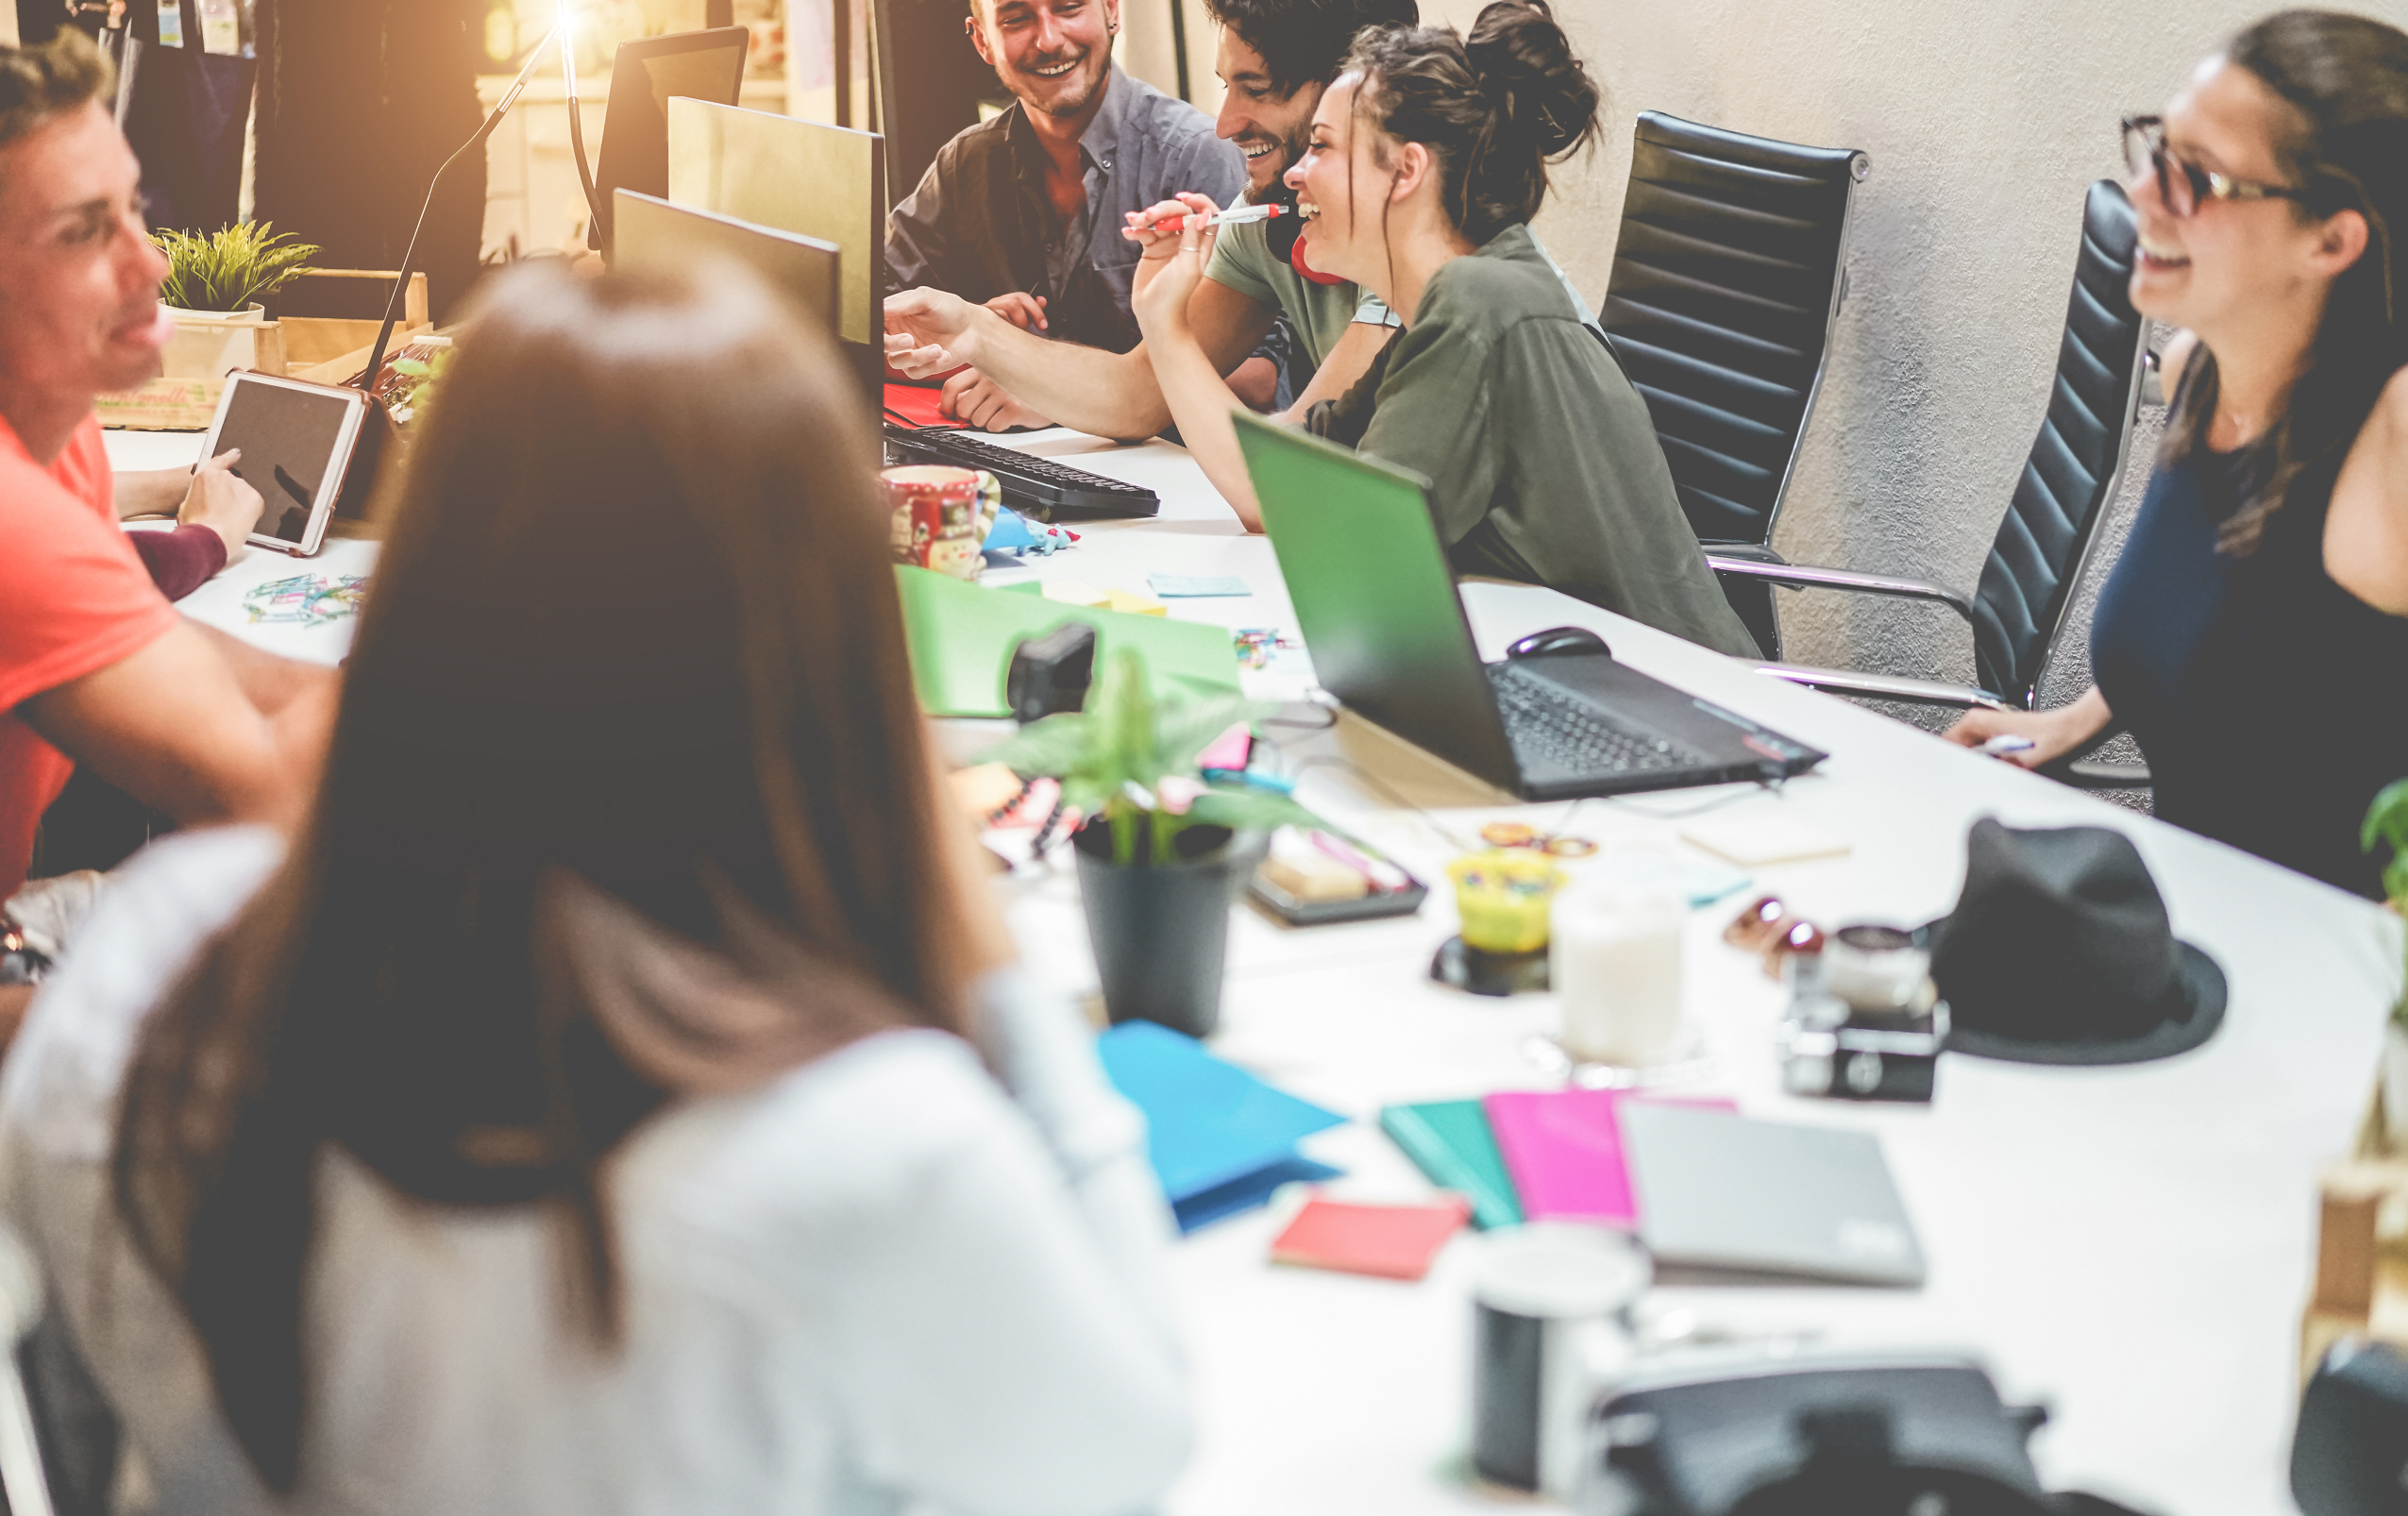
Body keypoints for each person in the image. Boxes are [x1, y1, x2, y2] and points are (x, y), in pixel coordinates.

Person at [0, 260, 1190, 1515]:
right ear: (818, 623)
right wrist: (984, 960)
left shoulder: (144, 972)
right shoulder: (872, 1143)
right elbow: (1129, 1450)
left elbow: (79, 1427)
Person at [1946, 9, 2408, 900]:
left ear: (2330, 240)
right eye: (2158, 149)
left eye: (2199, 176)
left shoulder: (2388, 439)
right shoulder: (2199, 375)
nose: (2144, 195)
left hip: (2351, 994)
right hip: (2196, 950)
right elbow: (2239, 638)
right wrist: (2074, 720)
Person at [1141, 4, 1758, 656]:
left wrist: (1169, 336)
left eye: (1321, 146)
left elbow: (1355, 551)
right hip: (1575, 673)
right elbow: (1284, 481)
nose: (1295, 173)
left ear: (1404, 172)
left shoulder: (1477, 301)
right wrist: (1162, 323)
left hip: (1678, 700)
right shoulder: (1439, 311)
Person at [0, 30, 333, 1033]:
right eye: (82, 232)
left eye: (135, 208)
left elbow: (170, 645)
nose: (151, 261)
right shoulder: (16, 519)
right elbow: (268, 795)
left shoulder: (60, 443)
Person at [884, 0, 1423, 499]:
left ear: (1352, 94)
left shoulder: (1418, 240)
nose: (1225, 124)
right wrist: (971, 328)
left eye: (1255, 89)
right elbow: (1134, 397)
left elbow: (1286, 481)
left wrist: (1164, 327)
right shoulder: (1263, 210)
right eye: (1228, 87)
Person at [885, 0, 1285, 428]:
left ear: (1112, 10)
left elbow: (1262, 378)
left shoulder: (1198, 153)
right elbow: (870, 322)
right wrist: (976, 332)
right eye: (1016, 18)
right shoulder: (966, 163)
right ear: (983, 40)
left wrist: (1052, 388)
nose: (1049, 40)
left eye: (1069, 7)